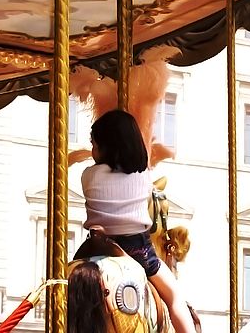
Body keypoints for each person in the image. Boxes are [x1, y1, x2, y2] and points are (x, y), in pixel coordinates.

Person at [75, 110, 196, 333]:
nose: (92, 151)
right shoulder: (144, 177)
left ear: (106, 147)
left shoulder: (88, 176)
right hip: (138, 251)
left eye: (95, 145)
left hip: (96, 246)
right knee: (175, 297)